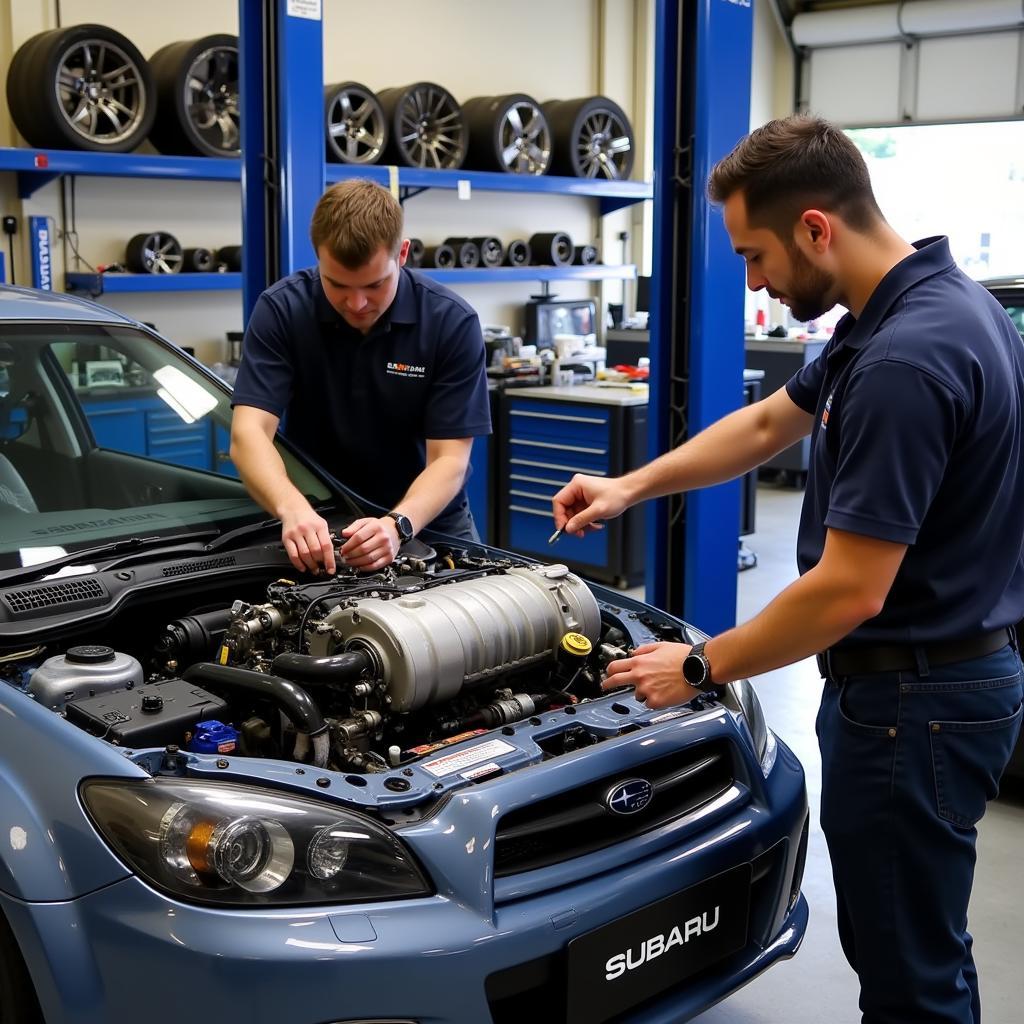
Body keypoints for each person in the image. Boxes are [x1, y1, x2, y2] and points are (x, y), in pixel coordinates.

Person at [552, 114, 1024, 1024]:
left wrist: (700, 666)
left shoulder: (904, 360)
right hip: (943, 687)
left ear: (816, 226)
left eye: (755, 255)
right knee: (923, 942)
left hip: (911, 709)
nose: (755, 280)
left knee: (909, 973)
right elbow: (773, 422)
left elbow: (852, 588)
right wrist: (629, 485)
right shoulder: (924, 306)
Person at [231, 179, 491, 576]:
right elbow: (248, 434)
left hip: (429, 522)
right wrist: (292, 507)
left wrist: (397, 524)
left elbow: (451, 460)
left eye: (374, 285)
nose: (356, 304)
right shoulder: (281, 310)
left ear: (401, 254)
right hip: (318, 520)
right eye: (337, 285)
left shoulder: (450, 322)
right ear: (318, 256)